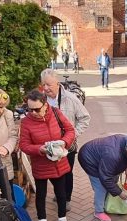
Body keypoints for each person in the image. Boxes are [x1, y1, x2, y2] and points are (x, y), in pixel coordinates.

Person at [19, 90, 75, 221]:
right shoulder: (26, 122)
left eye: (36, 109)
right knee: (41, 194)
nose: (33, 113)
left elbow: (70, 130)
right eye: (29, 109)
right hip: (41, 164)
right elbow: (24, 145)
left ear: (45, 105)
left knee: (61, 193)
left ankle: (62, 218)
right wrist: (40, 149)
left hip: (58, 162)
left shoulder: (56, 113)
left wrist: (63, 142)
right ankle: (42, 220)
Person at [41, 69, 91, 212]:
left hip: (67, 144)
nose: (46, 88)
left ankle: (66, 197)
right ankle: (59, 193)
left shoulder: (70, 98)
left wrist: (73, 135)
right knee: (53, 170)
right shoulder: (42, 99)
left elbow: (85, 118)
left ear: (57, 83)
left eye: (49, 85)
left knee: (66, 172)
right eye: (43, 84)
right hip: (49, 145)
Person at [78, 134, 127, 221]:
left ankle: (105, 202)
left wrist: (126, 165)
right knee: (100, 187)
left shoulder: (125, 142)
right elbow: (105, 178)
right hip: (88, 159)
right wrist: (119, 192)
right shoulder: (112, 155)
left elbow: (123, 156)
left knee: (111, 180)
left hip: (102, 156)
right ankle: (98, 211)